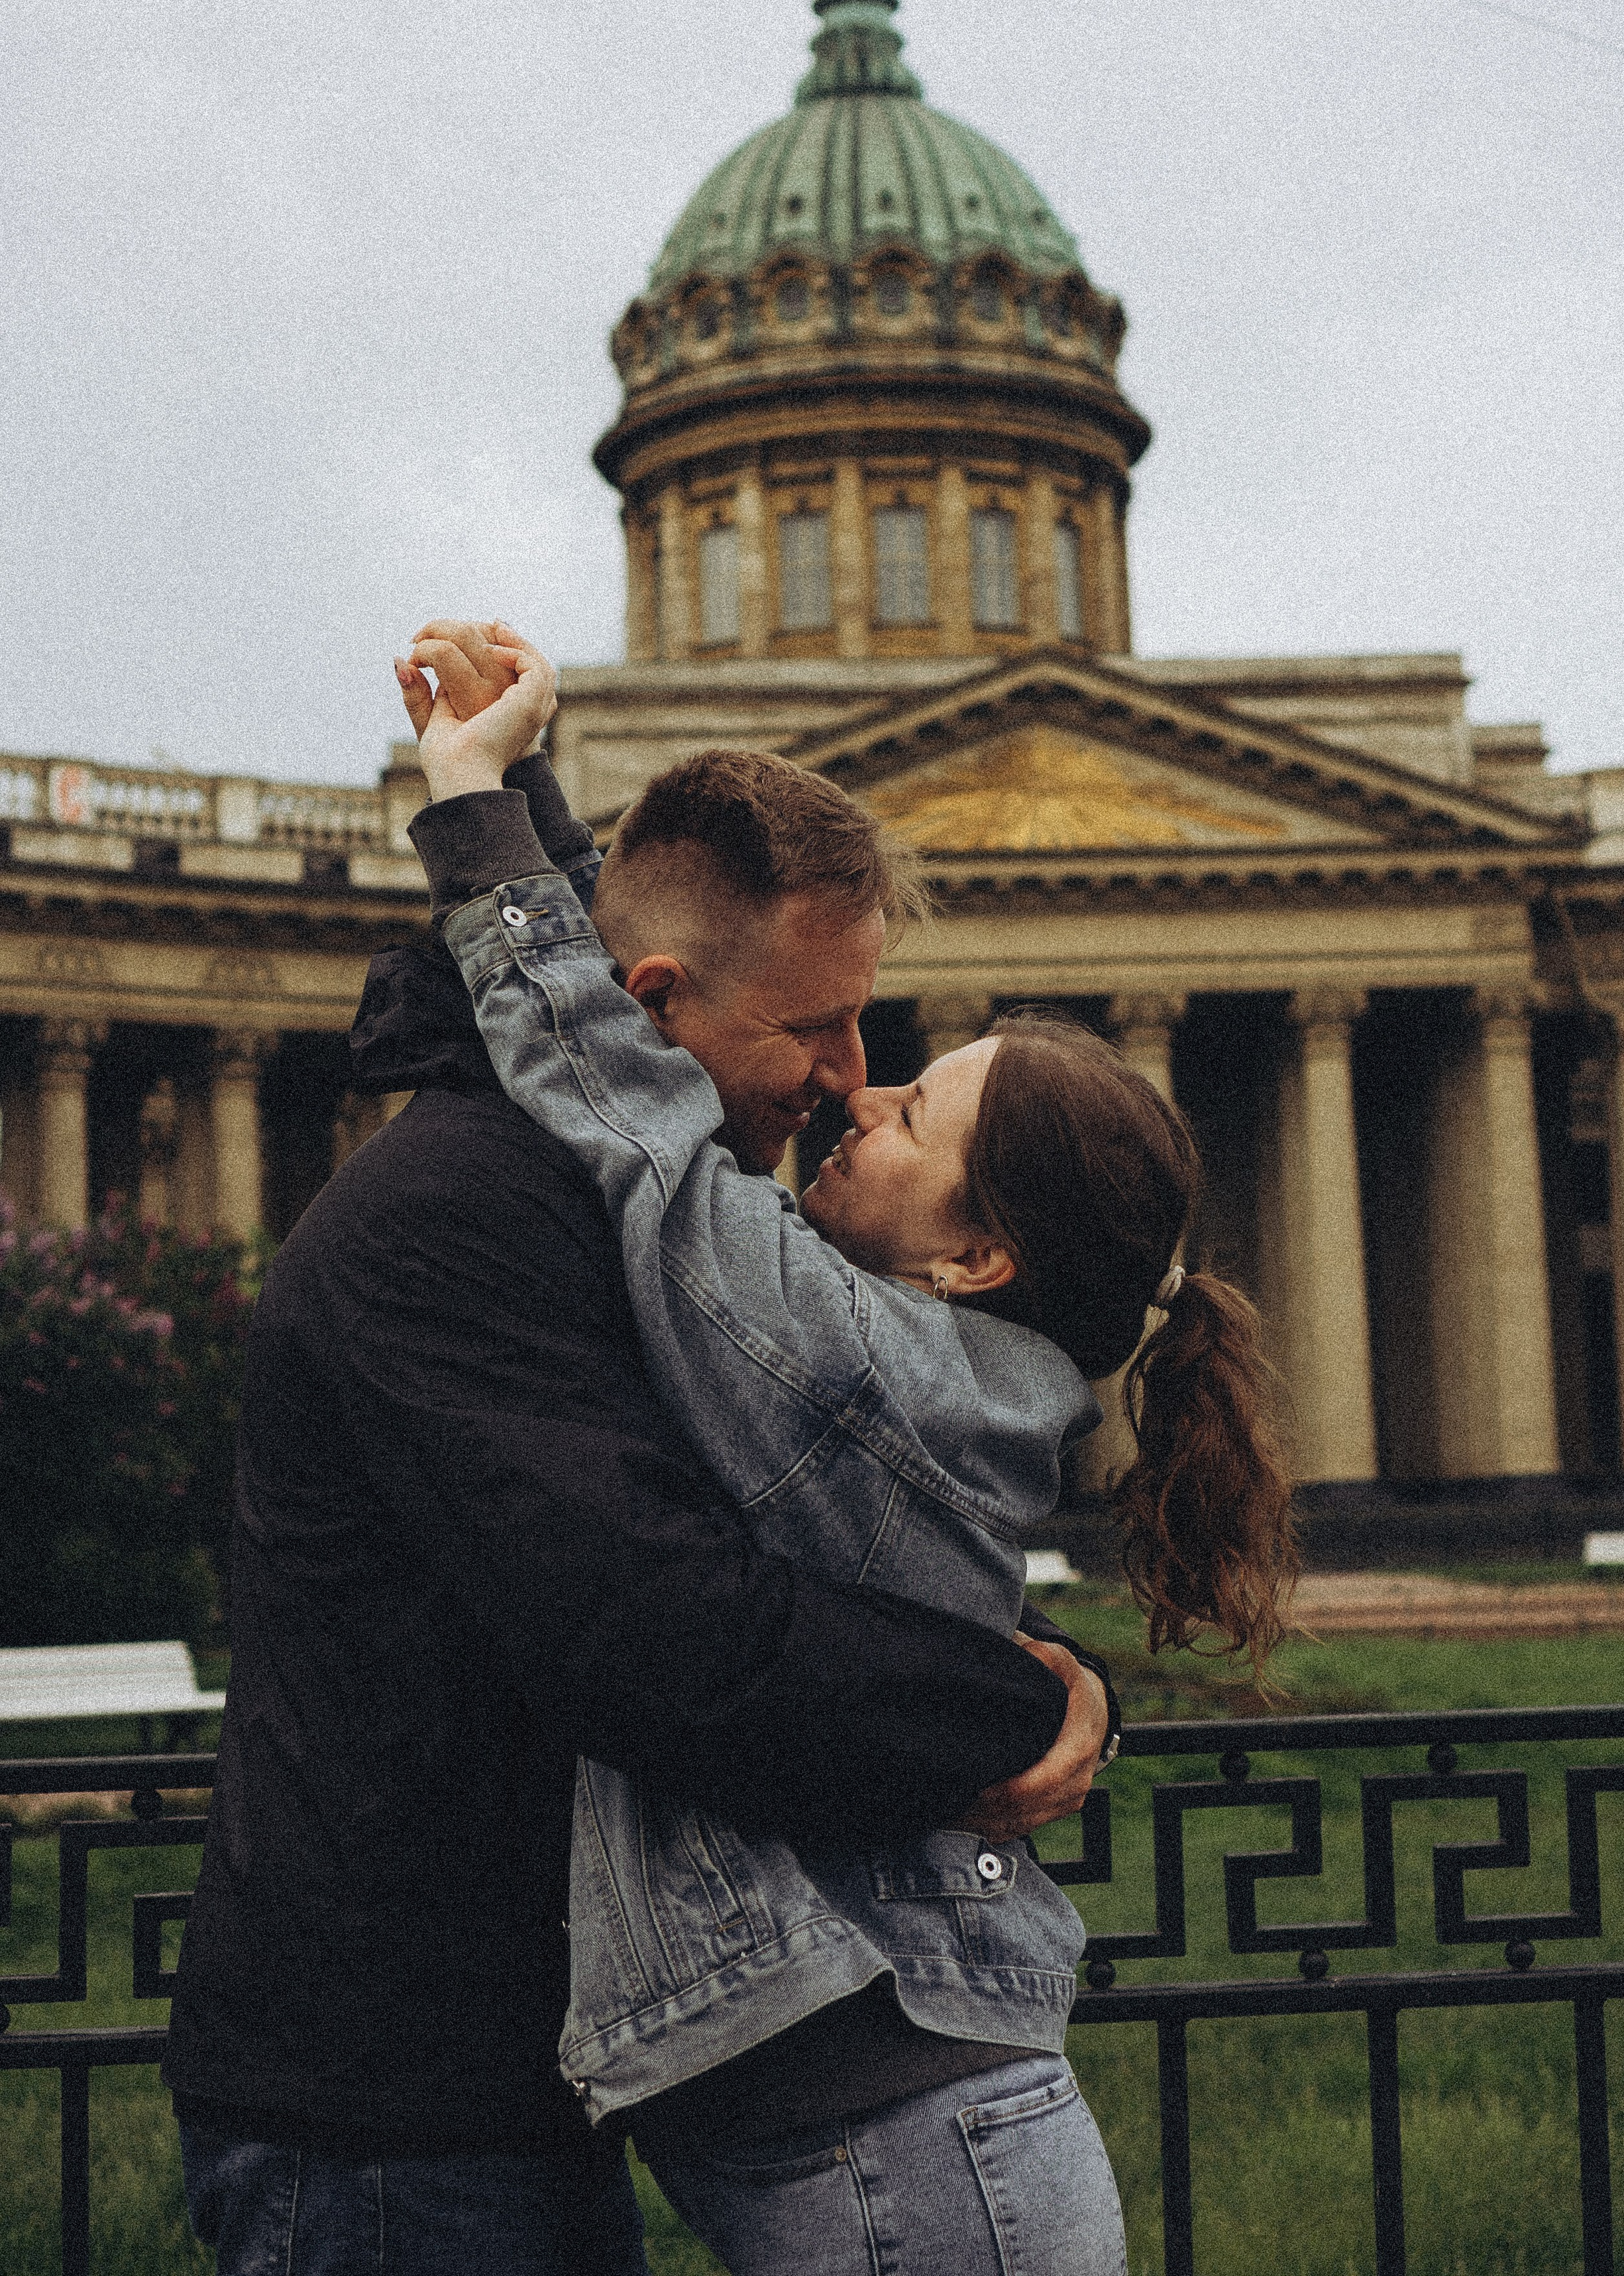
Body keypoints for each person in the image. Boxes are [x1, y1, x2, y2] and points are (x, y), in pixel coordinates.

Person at [163, 636, 1117, 2276]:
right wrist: (1023, 1702)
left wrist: (1055, 1674)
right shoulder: (457, 1222)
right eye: (816, 1029)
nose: (846, 1078)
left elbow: (836, 1530)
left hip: (503, 2075)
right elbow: (664, 1631)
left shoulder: (631, 1217)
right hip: (386, 2108)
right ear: (655, 1010)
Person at [399, 626, 1297, 2276]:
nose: (856, 1093)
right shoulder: (946, 1364)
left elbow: (633, 1105)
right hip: (914, 2121)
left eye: (914, 1113)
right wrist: (545, 798)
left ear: (973, 1258)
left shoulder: (849, 1356)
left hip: (911, 2140)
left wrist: (475, 815)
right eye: (858, 1053)